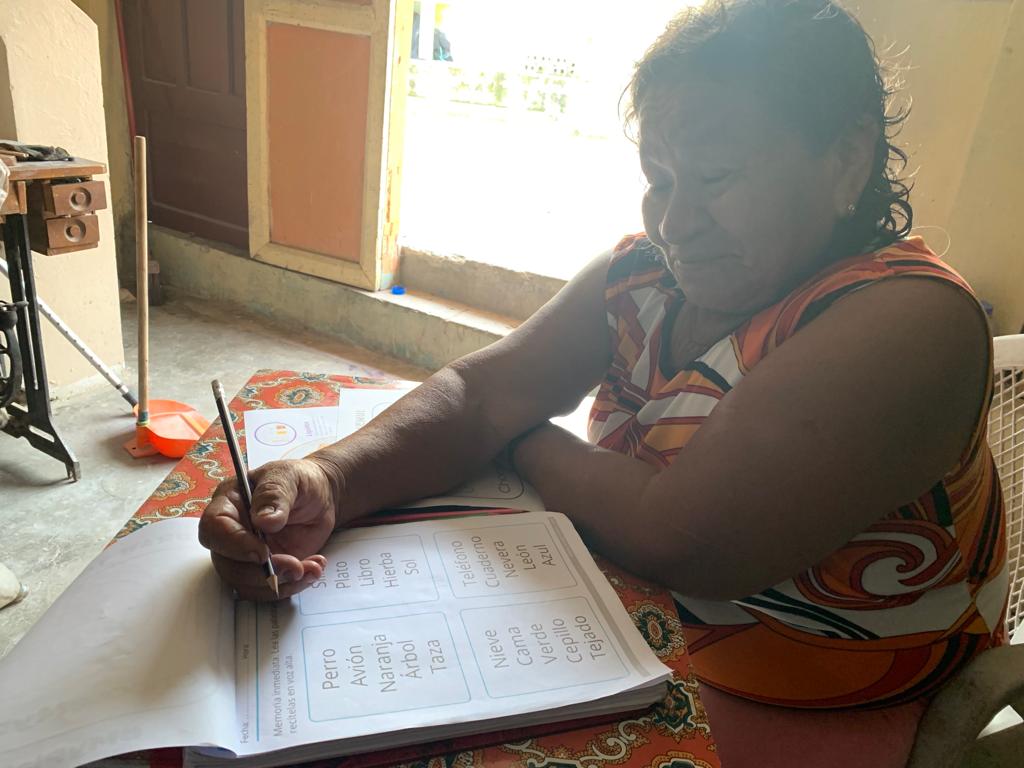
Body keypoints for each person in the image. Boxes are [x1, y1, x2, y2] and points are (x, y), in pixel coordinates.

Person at [199, 1, 1007, 765]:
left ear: (845, 161)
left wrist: (519, 437)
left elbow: (682, 537)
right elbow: (478, 393)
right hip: (619, 629)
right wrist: (328, 479)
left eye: (716, 178)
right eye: (660, 178)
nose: (675, 223)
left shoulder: (912, 322)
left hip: (821, 693)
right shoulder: (643, 276)